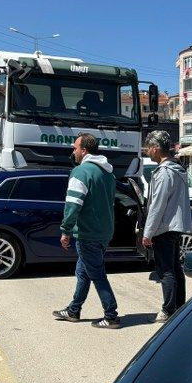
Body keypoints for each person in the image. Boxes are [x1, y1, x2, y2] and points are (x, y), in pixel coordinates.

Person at [53, 134, 121, 329]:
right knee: (83, 272)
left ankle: (111, 315)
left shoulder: (81, 172)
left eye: (75, 148)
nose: (73, 152)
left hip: (88, 233)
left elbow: (73, 204)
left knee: (97, 274)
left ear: (84, 150)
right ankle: (74, 310)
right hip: (103, 232)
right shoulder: (108, 174)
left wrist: (66, 230)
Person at [141, 131, 192, 322]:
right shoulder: (178, 170)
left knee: (166, 270)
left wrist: (148, 232)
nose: (147, 152)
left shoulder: (164, 173)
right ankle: (180, 306)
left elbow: (157, 205)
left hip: (164, 227)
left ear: (155, 148)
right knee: (176, 268)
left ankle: (168, 309)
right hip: (175, 226)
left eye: (148, 148)